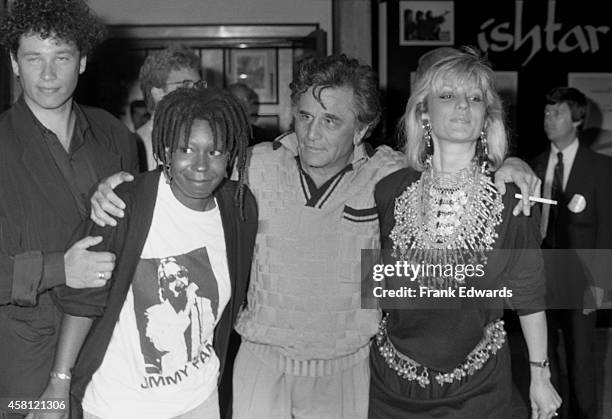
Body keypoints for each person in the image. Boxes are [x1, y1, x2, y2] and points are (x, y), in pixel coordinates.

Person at [89, 53, 539, 418]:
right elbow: (190, 177)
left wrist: (510, 167)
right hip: (261, 364)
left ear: (362, 128)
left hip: (346, 369)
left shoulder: (389, 176)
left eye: (331, 121)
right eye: (304, 116)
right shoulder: (254, 165)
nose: (311, 133)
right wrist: (121, 184)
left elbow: (453, 164)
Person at [32, 86, 258, 419]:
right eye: (186, 149)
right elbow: (83, 301)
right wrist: (59, 382)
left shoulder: (239, 207)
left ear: (230, 156)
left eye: (215, 151)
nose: (200, 165)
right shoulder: (123, 203)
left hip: (200, 400)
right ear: (165, 150)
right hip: (118, 405)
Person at [369, 48, 561, 418]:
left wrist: (540, 375)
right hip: (390, 387)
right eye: (448, 95)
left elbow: (529, 293)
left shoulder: (510, 199)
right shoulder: (389, 190)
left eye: (475, 99)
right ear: (424, 111)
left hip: (479, 391)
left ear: (486, 119)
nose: (462, 106)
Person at [0, 0, 139, 415]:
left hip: (110, 355)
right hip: (25, 367)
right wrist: (60, 268)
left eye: (61, 57)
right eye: (33, 58)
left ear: (81, 62)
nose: (47, 74)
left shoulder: (116, 136)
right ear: (13, 63)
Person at [533, 87, 612, 419]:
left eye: (558, 113)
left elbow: (607, 228)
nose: (549, 119)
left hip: (581, 278)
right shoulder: (534, 165)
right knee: (543, 358)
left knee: (582, 361)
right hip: (541, 276)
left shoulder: (601, 167)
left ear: (578, 118)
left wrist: (600, 284)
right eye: (547, 112)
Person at [137, 44, 202, 170]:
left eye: (198, 85)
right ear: (158, 92)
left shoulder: (209, 137)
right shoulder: (138, 144)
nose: (196, 93)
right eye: (186, 84)